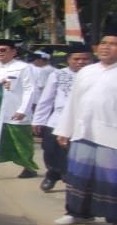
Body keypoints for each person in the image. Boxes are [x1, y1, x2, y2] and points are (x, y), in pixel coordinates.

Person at [52, 31, 117, 225]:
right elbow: (73, 102)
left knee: (110, 181)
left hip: (111, 136)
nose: (106, 47)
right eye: (103, 43)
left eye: (113, 44)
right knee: (79, 176)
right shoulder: (87, 71)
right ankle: (78, 213)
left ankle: (114, 221)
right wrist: (64, 129)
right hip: (83, 132)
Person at [33, 44, 92, 192]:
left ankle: (71, 180)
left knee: (75, 155)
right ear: (68, 60)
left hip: (84, 123)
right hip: (57, 121)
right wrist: (38, 120)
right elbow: (46, 99)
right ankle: (52, 174)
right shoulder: (57, 75)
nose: (80, 62)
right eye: (76, 59)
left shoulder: (96, 75)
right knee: (51, 151)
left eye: (85, 59)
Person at [0, 38, 39, 179]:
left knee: (21, 141)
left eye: (3, 50)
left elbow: (30, 89)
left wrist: (23, 110)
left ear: (13, 52)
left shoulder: (23, 67)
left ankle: (28, 167)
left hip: (17, 111)